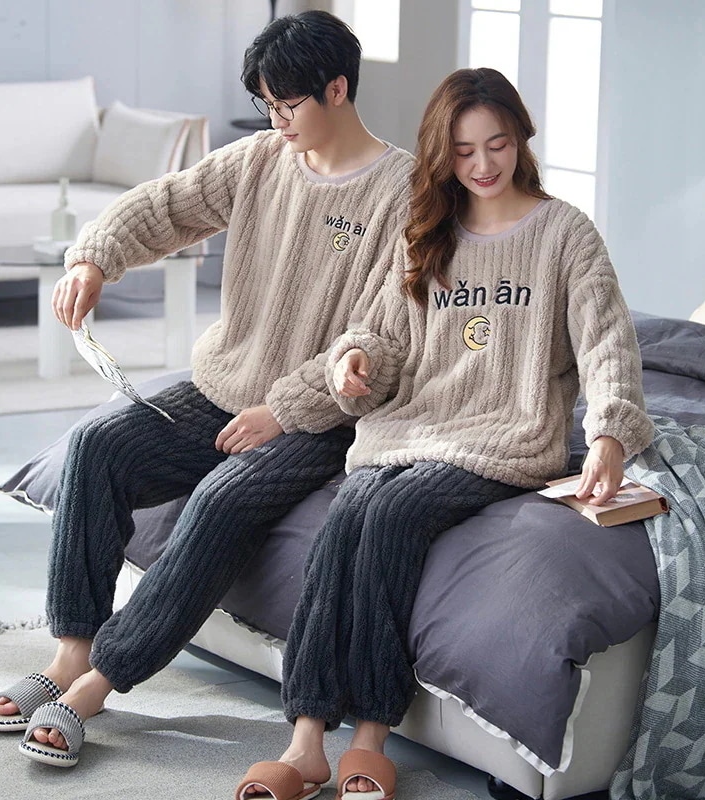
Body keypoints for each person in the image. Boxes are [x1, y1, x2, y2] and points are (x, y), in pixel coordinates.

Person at [0, 10, 414, 775]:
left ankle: (96, 685)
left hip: (319, 418)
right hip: (222, 386)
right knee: (97, 443)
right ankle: (70, 651)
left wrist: (284, 410)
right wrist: (93, 259)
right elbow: (165, 204)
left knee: (221, 499)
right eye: (266, 106)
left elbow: (385, 333)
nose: (276, 121)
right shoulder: (258, 160)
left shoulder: (403, 192)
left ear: (337, 89)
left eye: (288, 104)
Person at [236, 67, 654, 800]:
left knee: (391, 514)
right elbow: (379, 334)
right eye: (464, 152)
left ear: (521, 138)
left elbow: (606, 344)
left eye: (497, 144)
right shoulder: (428, 231)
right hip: (410, 425)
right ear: (442, 154)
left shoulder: (565, 234)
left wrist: (610, 435)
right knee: (349, 513)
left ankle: (369, 738)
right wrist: (355, 361)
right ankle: (304, 740)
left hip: (504, 438)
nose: (483, 165)